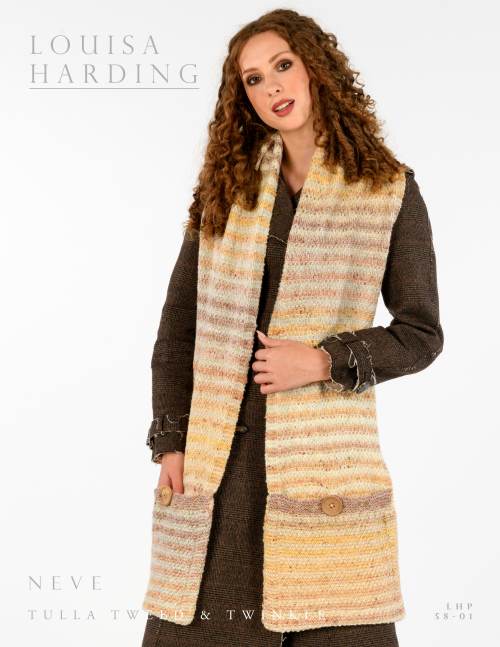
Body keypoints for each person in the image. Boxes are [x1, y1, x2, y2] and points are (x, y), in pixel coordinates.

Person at [141, 9, 444, 647]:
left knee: (337, 623)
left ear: (316, 69)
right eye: (253, 79)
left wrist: (326, 360)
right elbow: (177, 334)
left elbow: (420, 333)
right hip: (220, 457)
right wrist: (171, 442)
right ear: (243, 98)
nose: (272, 86)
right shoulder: (226, 191)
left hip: (323, 461)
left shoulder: (386, 190)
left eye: (283, 65)